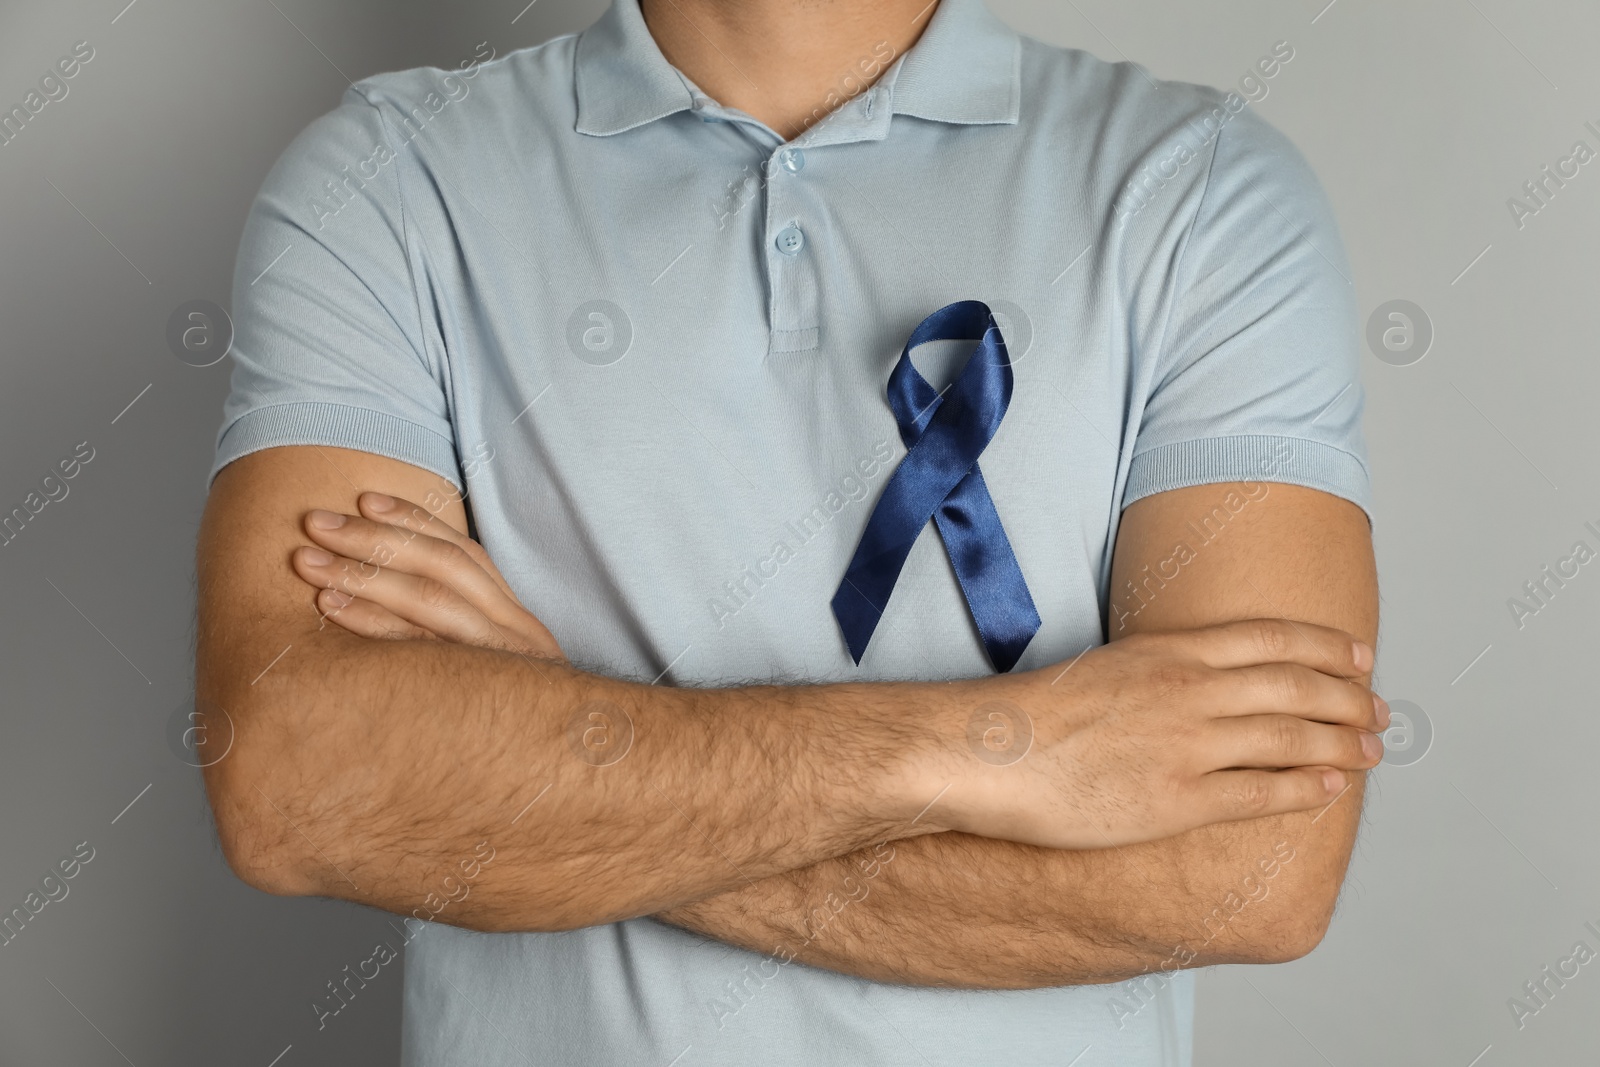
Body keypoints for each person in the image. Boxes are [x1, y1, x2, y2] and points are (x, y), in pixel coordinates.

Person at [194, 0, 1384, 1063]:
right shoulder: (390, 178)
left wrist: (552, 763)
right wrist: (1007, 748)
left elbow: (1253, 872)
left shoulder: (1201, 185)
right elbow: (300, 782)